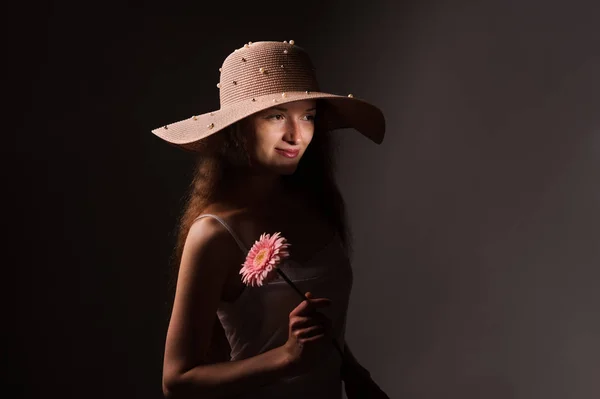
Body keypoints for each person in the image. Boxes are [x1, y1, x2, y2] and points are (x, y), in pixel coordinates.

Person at [153, 40, 389, 398]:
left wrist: (354, 373)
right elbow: (177, 381)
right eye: (276, 115)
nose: (296, 134)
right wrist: (286, 358)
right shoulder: (214, 234)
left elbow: (321, 323)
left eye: (308, 115)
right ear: (238, 128)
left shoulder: (314, 206)